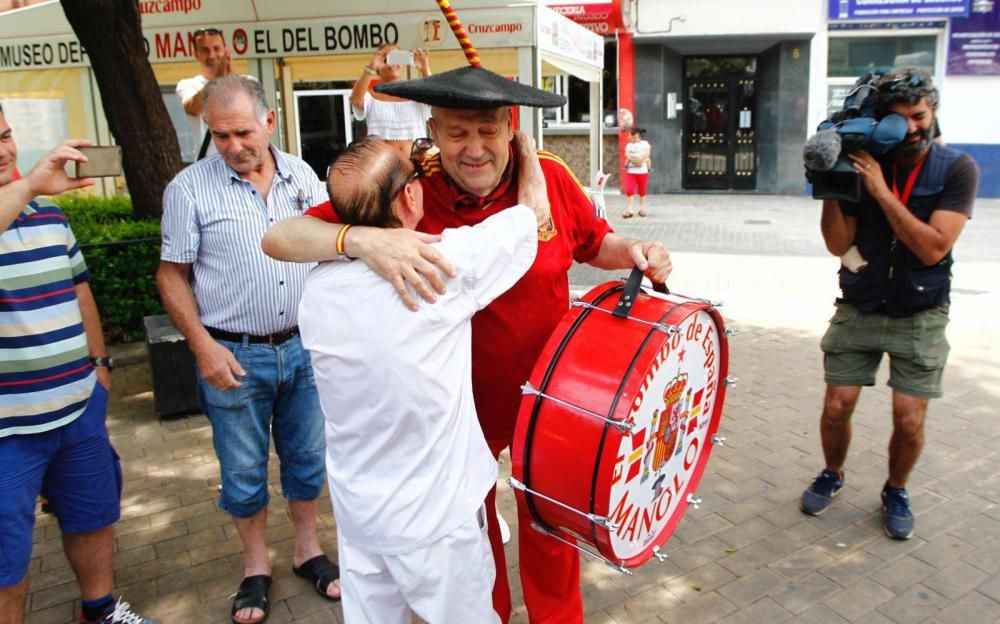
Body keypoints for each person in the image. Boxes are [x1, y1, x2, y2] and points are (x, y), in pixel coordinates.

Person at [262, 64, 672, 623]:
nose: (474, 148)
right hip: (457, 415)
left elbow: (593, 242)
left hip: (549, 398)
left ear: (510, 127)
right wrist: (359, 240)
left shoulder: (547, 174)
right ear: (433, 130)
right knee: (475, 540)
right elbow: (280, 237)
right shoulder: (407, 186)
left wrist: (637, 250)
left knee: (551, 524)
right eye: (457, 133)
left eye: (487, 130)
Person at [298, 132, 548, 623]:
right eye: (415, 170)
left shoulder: (317, 289)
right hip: (438, 521)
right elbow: (534, 217)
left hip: (361, 517)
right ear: (411, 196)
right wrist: (524, 147)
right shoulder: (443, 266)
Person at [155, 75, 340, 624]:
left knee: (308, 459)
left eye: (241, 132)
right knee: (242, 470)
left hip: (306, 350)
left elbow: (331, 252)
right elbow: (170, 276)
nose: (233, 146)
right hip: (234, 355)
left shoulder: (305, 177)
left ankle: (308, 549)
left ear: (269, 121)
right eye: (220, 136)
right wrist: (202, 347)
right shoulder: (189, 189)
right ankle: (255, 567)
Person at [800, 69, 979, 540]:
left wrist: (881, 190)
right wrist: (832, 186)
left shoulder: (956, 168)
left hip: (920, 312)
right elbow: (838, 243)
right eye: (898, 120)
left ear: (932, 113)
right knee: (837, 405)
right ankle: (832, 473)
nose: (911, 128)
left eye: (918, 116)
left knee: (909, 416)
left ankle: (896, 488)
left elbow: (934, 247)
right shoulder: (862, 160)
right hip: (860, 303)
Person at [0, 109, 155, 624]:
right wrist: (27, 190)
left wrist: (100, 367)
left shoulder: (47, 214)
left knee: (92, 514)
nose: (3, 151)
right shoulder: (25, 198)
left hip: (77, 407)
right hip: (8, 429)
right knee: (6, 554)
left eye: (5, 136)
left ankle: (101, 609)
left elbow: (79, 286)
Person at [351, 44, 432, 159]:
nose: (393, 64)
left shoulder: (415, 93)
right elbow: (356, 101)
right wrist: (372, 67)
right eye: (388, 58)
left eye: (397, 58)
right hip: (381, 167)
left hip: (416, 166)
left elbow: (435, 101)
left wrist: (424, 67)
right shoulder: (371, 95)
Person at [176, 27, 233, 160]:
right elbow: (192, 108)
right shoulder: (187, 85)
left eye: (216, 48)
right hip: (207, 168)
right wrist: (218, 78)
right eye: (205, 50)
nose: (212, 55)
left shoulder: (246, 83)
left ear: (226, 51)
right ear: (195, 54)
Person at [623, 127, 651, 218]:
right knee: (629, 189)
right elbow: (627, 155)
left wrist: (640, 160)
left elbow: (647, 154)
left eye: (632, 136)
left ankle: (641, 209)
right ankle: (629, 210)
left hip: (642, 171)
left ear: (638, 137)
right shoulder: (628, 145)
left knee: (642, 190)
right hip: (631, 171)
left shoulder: (645, 144)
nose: (631, 138)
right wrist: (635, 161)